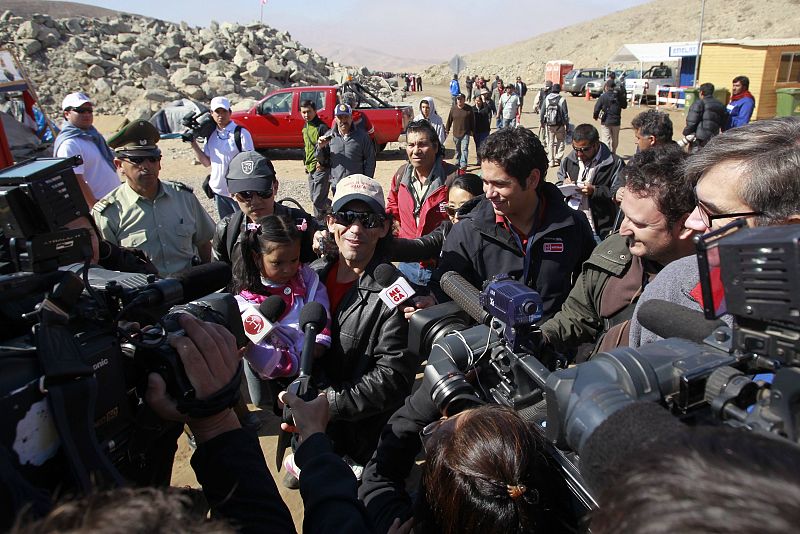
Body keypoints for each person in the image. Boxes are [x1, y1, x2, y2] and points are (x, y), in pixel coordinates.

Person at [629, 117, 800, 348]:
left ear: (786, 228)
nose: (692, 222)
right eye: (697, 204)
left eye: (711, 212)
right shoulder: (674, 289)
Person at [311, 174, 419, 474]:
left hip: (363, 439)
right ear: (331, 222)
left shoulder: (398, 293)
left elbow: (394, 378)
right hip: (313, 425)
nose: (356, 229)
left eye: (368, 219)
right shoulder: (311, 277)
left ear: (384, 227)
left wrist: (328, 403)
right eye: (347, 217)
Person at [542, 146, 695, 357]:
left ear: (684, 225)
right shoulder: (612, 250)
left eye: (639, 223)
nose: (623, 229)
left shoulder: (708, 288)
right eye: (624, 215)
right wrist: (542, 338)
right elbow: (578, 314)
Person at [432, 127, 595, 321]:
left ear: (533, 179)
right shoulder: (467, 232)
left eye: (500, 184)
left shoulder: (572, 226)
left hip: (558, 346)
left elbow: (588, 295)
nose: (489, 193)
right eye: (485, 182)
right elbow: (445, 294)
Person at [231, 214, 332, 419]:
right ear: (256, 257)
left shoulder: (306, 278)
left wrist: (319, 341)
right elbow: (258, 351)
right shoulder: (245, 302)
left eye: (294, 260)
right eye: (277, 263)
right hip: (281, 378)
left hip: (318, 363)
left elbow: (320, 305)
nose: (288, 269)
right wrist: (293, 363)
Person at [92, 120, 214, 277]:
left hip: (190, 288)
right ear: (119, 165)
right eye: (137, 160)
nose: (146, 166)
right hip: (143, 295)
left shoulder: (184, 198)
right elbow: (105, 266)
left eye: (152, 158)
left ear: (159, 163)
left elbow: (204, 244)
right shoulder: (108, 212)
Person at [212, 150, 320, 279]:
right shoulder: (227, 230)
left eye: (263, 192)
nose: (255, 201)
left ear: (275, 187)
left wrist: (323, 236)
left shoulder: (300, 222)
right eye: (246, 194)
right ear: (232, 194)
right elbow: (217, 278)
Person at [387, 119, 457, 286]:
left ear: (435, 146)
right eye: (411, 145)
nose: (416, 150)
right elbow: (392, 205)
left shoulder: (454, 179)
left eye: (422, 144)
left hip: (442, 266)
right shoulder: (401, 175)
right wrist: (396, 228)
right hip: (407, 262)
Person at [189, 96, 254, 219]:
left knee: (243, 225)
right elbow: (206, 162)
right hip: (218, 191)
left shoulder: (241, 134)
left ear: (230, 112)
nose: (221, 115)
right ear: (211, 113)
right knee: (225, 227)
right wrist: (193, 144)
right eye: (217, 112)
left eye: (224, 111)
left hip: (237, 192)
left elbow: (250, 162)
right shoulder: (210, 135)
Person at [53, 92, 120, 207]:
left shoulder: (92, 136)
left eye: (89, 110)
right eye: (80, 110)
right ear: (67, 114)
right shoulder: (69, 144)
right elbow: (75, 181)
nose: (87, 114)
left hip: (113, 201)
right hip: (99, 205)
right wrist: (95, 207)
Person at [557, 123, 624, 239]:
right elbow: (558, 185)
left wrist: (595, 191)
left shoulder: (614, 163)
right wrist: (564, 185)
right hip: (573, 226)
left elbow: (618, 195)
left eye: (584, 150)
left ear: (596, 145)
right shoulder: (569, 160)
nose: (579, 154)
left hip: (600, 231)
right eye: (576, 149)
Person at [323, 104, 376, 191]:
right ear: (335, 119)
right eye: (340, 117)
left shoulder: (362, 136)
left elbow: (370, 160)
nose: (343, 120)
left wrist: (366, 180)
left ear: (351, 118)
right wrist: (320, 148)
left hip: (357, 186)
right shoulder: (329, 137)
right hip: (337, 186)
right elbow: (322, 160)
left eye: (346, 117)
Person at [300, 99, 332, 220]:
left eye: (309, 111)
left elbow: (329, 148)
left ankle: (319, 223)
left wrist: (322, 162)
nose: (306, 115)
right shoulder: (305, 126)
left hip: (321, 168)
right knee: (314, 198)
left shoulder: (322, 127)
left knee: (318, 200)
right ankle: (333, 210)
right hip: (310, 168)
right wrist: (305, 163)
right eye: (303, 112)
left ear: (315, 111)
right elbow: (306, 146)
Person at [683, 82, 727, 150]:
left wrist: (686, 133)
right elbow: (724, 122)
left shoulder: (699, 103)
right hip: (712, 138)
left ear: (701, 93)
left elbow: (691, 122)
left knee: (694, 158)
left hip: (698, 139)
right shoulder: (720, 105)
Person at [593, 80, 626, 154]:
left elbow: (597, 108)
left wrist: (595, 116)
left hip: (606, 121)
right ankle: (614, 152)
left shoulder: (603, 96)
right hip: (616, 121)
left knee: (605, 139)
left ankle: (606, 154)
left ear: (606, 87)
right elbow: (624, 106)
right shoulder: (618, 96)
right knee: (615, 139)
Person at [541, 83, 569, 167]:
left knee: (550, 142)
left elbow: (542, 112)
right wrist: (566, 124)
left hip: (549, 125)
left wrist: (542, 122)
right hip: (559, 125)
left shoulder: (547, 98)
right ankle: (558, 157)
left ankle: (551, 160)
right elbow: (565, 114)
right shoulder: (562, 99)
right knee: (560, 140)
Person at [445, 93, 474, 174]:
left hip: (466, 132)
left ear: (464, 100)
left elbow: (472, 120)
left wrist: (472, 130)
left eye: (461, 99)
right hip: (456, 133)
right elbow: (449, 120)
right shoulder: (453, 109)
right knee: (458, 149)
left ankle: (463, 164)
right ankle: (458, 161)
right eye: (458, 99)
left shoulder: (469, 109)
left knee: (464, 148)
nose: (459, 100)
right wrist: (447, 129)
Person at [472, 94, 492, 164]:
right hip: (476, 131)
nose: (477, 102)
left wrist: (484, 101)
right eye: (476, 101)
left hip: (484, 130)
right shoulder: (472, 109)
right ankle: (479, 160)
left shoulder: (485, 107)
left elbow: (487, 111)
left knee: (484, 145)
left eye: (479, 101)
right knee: (477, 145)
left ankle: (484, 159)